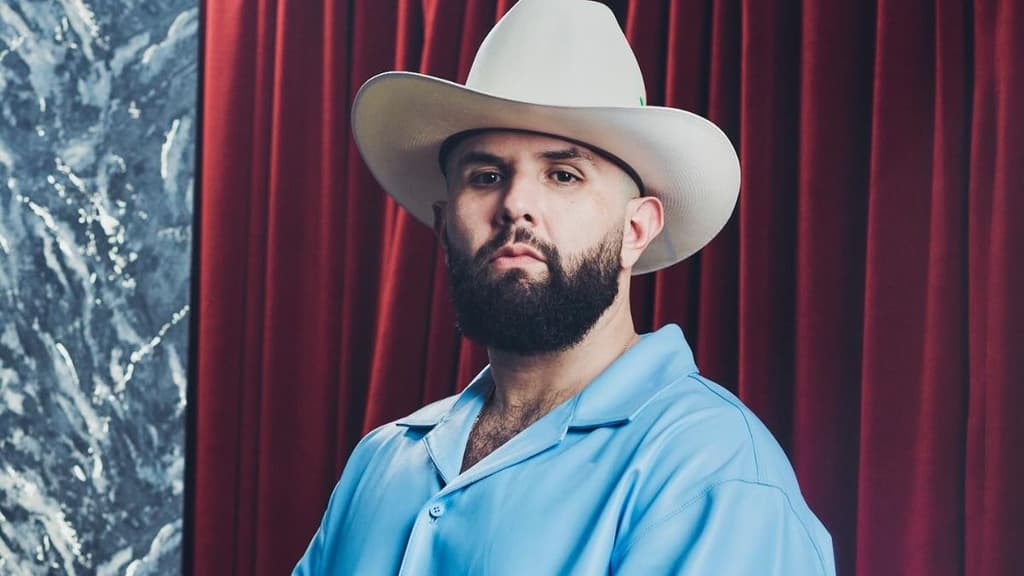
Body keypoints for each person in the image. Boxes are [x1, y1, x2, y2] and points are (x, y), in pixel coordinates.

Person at [294, 0, 835, 574]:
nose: (516, 204)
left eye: (563, 175)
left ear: (635, 229)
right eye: (486, 176)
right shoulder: (379, 464)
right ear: (444, 225)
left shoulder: (713, 475)